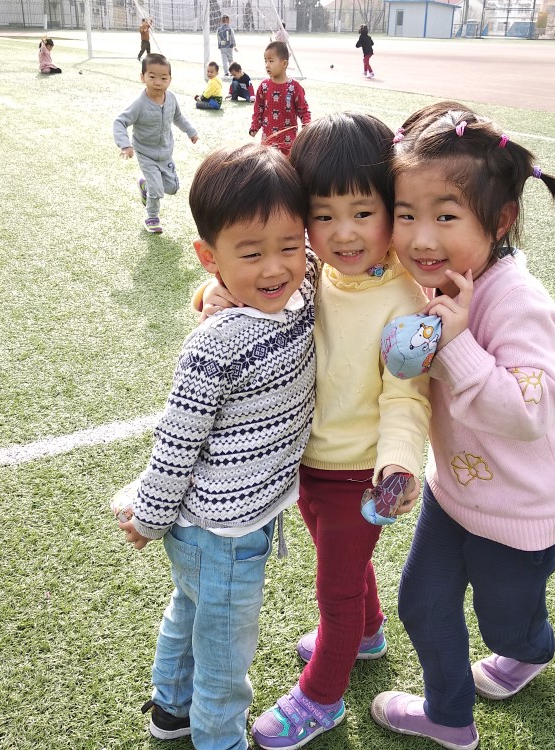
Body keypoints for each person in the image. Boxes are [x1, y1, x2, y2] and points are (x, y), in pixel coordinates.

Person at [199, 113, 431, 749]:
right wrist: (210, 295)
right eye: (323, 215)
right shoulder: (311, 269)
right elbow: (255, 282)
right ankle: (368, 635)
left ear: (392, 208)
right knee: (346, 571)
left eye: (363, 212)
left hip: (361, 477)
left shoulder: (407, 304)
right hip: (308, 464)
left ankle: (321, 699)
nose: (343, 232)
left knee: (335, 592)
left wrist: (399, 463)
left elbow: (406, 396)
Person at [368, 102, 555, 750]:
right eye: (406, 214)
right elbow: (347, 277)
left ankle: (531, 649)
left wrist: (459, 345)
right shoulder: (429, 278)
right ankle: (449, 716)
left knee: (505, 627)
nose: (420, 238)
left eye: (445, 216)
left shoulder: (517, 302)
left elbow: (529, 412)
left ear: (501, 219)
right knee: (420, 602)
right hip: (454, 493)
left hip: (524, 511)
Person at [112, 143, 318, 750]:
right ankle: (218, 739)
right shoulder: (214, 345)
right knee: (225, 652)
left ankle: (170, 710)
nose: (275, 268)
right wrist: (150, 517)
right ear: (210, 257)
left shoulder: (300, 294)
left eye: (289, 246)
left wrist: (214, 289)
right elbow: (177, 441)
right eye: (250, 254)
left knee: (191, 610)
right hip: (219, 530)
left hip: (232, 522)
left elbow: (323, 263)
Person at [113, 53, 199, 234]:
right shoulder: (139, 104)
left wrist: (190, 131)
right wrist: (125, 145)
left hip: (166, 153)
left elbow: (178, 117)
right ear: (142, 77)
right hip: (145, 153)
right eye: (152, 77)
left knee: (172, 188)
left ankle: (145, 185)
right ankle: (151, 217)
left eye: (163, 78)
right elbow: (120, 121)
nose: (158, 82)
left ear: (170, 80)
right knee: (157, 189)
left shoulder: (171, 98)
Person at [249, 42, 310, 158]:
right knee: (267, 167)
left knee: (287, 167)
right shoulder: (264, 86)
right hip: (267, 143)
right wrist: (254, 126)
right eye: (265, 61)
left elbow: (303, 110)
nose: (267, 65)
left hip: (288, 144)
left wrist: (306, 125)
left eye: (271, 61)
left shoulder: (294, 87)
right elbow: (258, 109)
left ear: (284, 63)